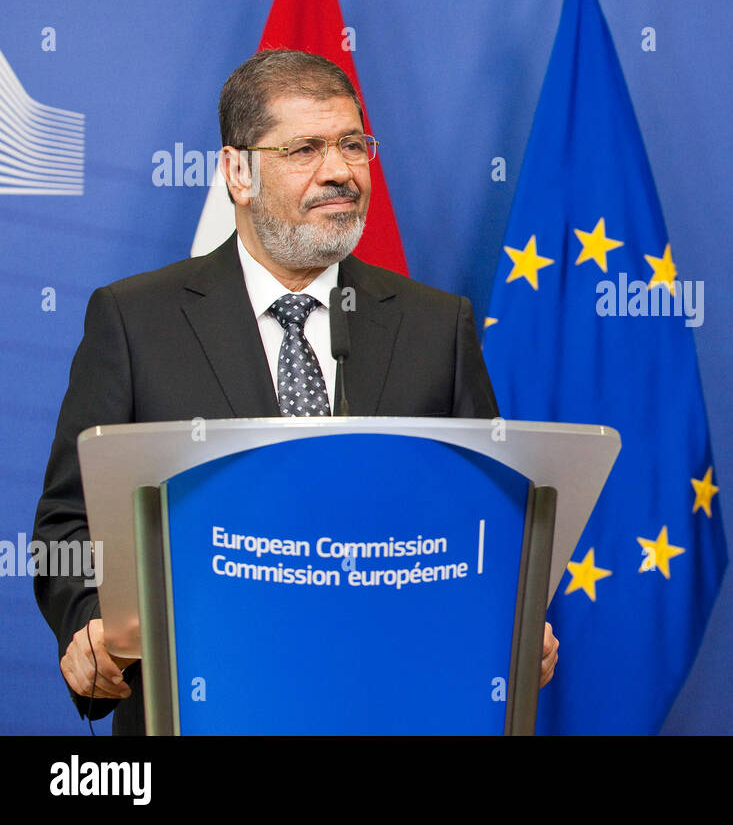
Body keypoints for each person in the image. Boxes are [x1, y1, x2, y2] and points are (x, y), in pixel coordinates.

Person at [33, 49, 558, 734]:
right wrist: (91, 625)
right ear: (237, 173)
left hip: (392, 705)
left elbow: (488, 517)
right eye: (305, 148)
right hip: (201, 708)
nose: (339, 171)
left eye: (352, 145)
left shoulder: (435, 324)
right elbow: (63, 530)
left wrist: (509, 614)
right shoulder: (136, 321)